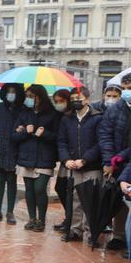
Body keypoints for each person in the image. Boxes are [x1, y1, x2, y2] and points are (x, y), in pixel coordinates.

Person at [12, 85, 60, 232]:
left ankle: (41, 219)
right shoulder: (24, 113)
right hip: (26, 157)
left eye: (31, 96)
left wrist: (44, 134)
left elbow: (58, 137)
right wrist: (26, 132)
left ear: (40, 97)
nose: (28, 99)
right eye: (27, 96)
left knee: (40, 189)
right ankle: (32, 219)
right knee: (29, 189)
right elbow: (14, 136)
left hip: (45, 158)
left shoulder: (53, 114)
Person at [57, 87, 102, 242]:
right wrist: (66, 160)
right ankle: (75, 230)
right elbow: (61, 142)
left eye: (79, 98)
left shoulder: (97, 117)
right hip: (73, 165)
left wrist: (85, 159)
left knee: (90, 199)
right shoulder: (66, 118)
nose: (76, 101)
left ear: (87, 99)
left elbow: (99, 143)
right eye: (73, 98)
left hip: (92, 165)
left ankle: (91, 232)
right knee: (75, 199)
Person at [98, 73, 131, 251]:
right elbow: (105, 135)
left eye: (130, 89)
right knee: (119, 201)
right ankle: (119, 236)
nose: (127, 92)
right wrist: (109, 160)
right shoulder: (115, 109)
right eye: (124, 89)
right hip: (118, 163)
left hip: (127, 159)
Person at [0, 83, 24, 224]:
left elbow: (25, 126)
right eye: (9, 91)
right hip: (0, 149)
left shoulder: (22, 109)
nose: (11, 94)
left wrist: (22, 130)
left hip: (15, 150)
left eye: (13, 91)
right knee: (0, 180)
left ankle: (10, 212)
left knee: (12, 181)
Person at [52, 89, 73, 230]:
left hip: (74, 158)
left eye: (62, 101)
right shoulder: (58, 115)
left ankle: (71, 220)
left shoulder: (72, 116)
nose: (59, 104)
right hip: (65, 158)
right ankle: (69, 217)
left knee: (70, 190)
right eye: (56, 101)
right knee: (60, 187)